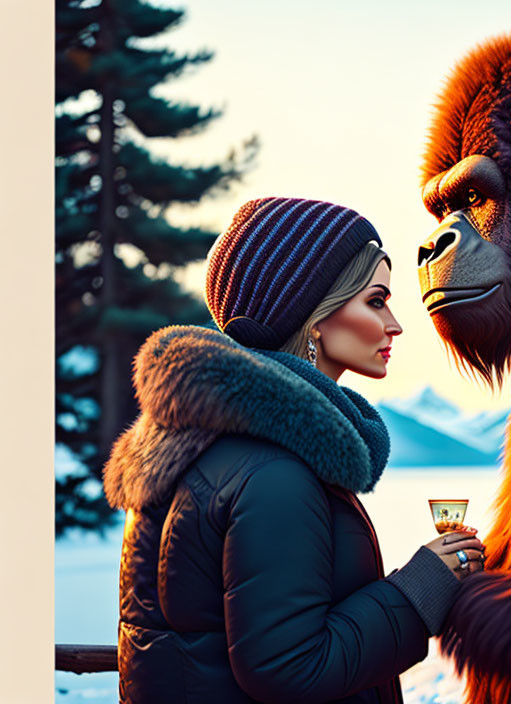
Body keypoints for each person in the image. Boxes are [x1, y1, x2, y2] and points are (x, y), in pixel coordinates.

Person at [102, 197, 487, 704]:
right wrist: (421, 590)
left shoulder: (202, 446)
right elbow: (290, 668)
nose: (394, 324)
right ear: (316, 315)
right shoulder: (274, 471)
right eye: (375, 301)